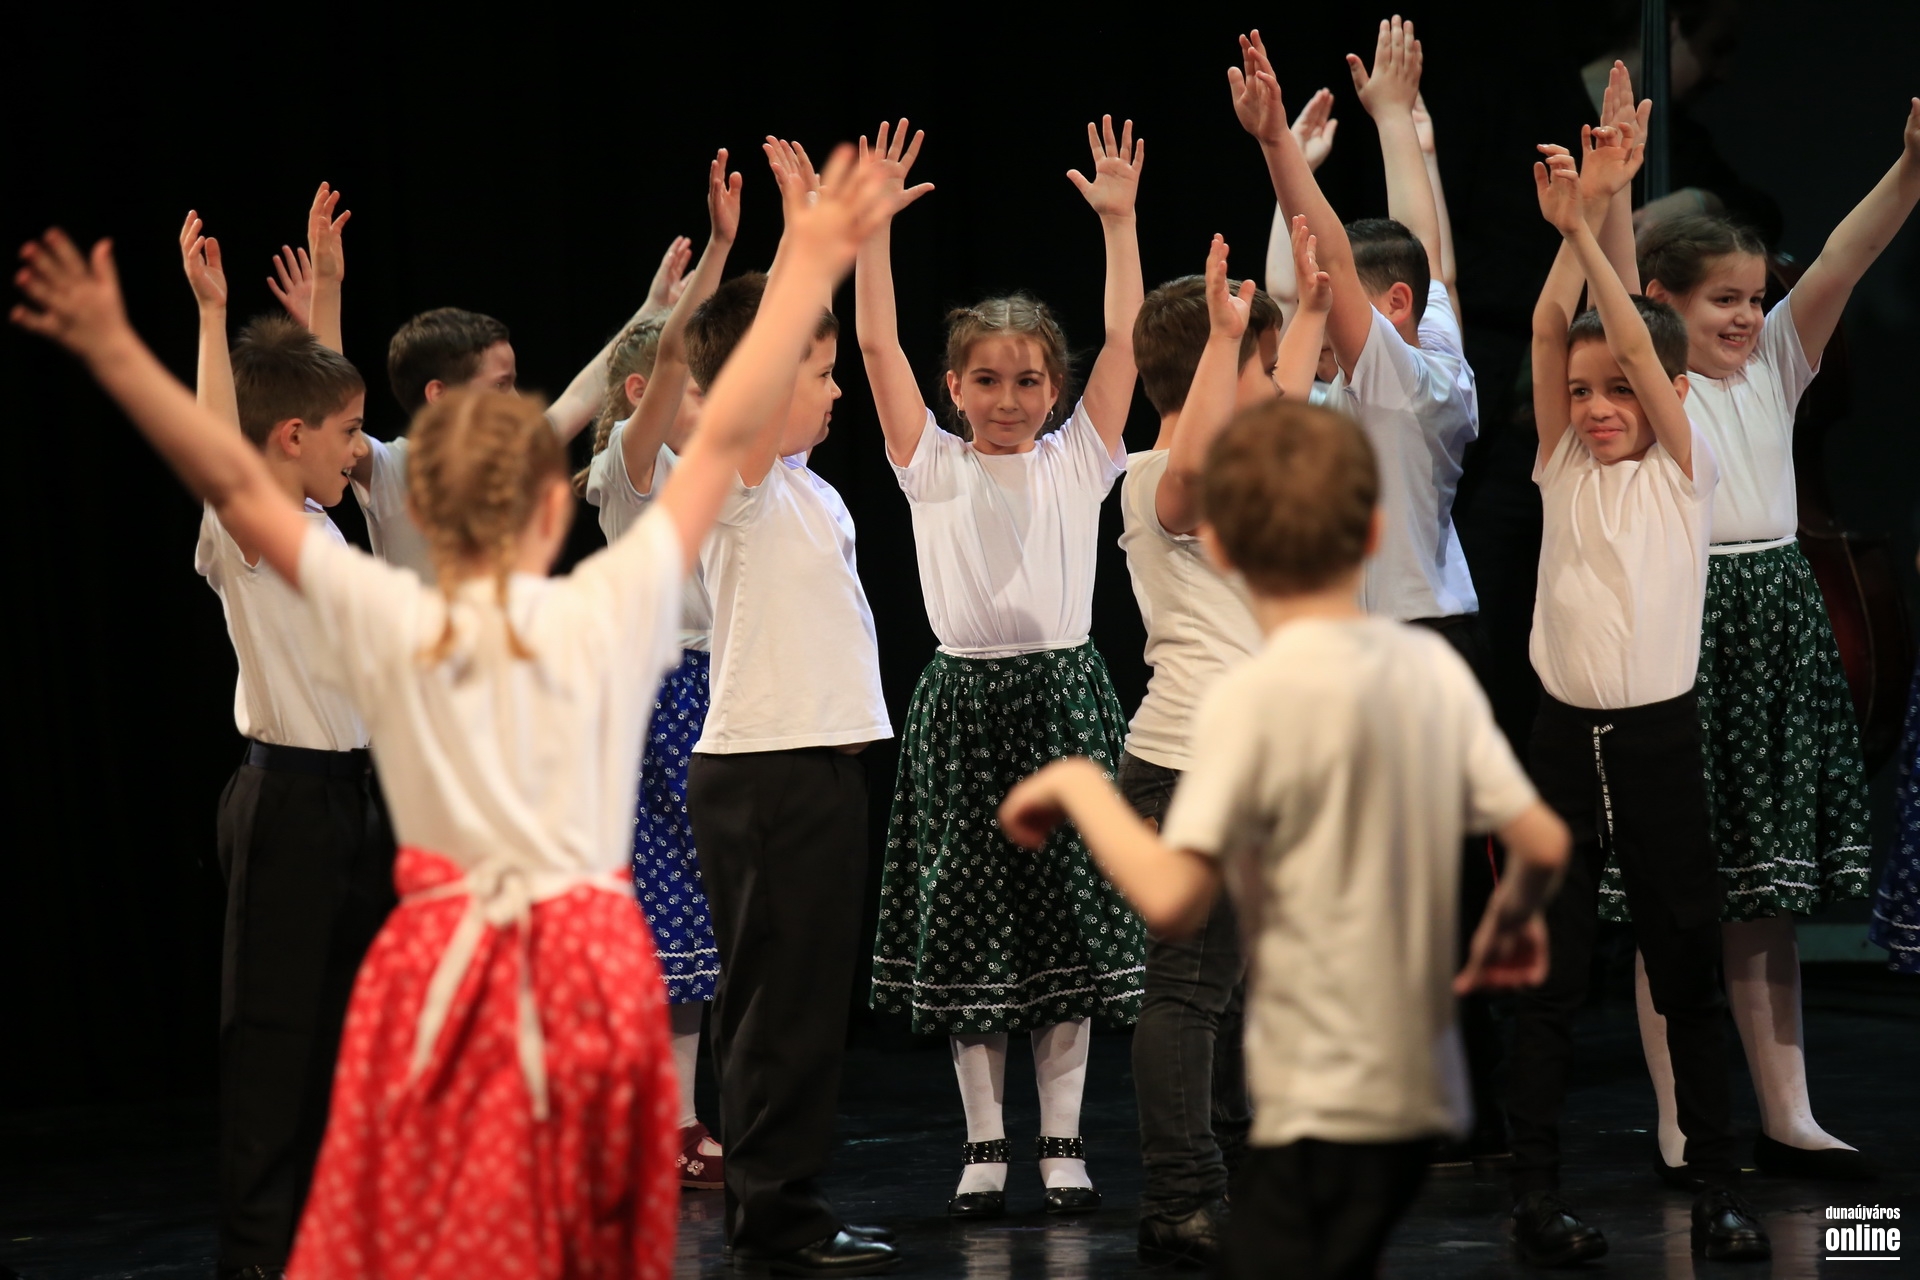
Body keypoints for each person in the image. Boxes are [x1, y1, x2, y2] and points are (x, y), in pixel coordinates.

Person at [9, 142, 900, 1280]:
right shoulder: (593, 611)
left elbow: (232, 475)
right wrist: (812, 251)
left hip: (450, 945)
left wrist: (116, 348)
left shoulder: (395, 614)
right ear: (547, 513)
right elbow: (724, 432)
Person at [1000, 396, 1571, 1280]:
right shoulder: (1427, 669)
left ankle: (1194, 1193)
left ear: (1229, 552)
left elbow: (1173, 895)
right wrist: (1511, 921)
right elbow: (1538, 839)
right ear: (1374, 533)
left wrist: (1078, 786)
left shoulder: (1252, 702)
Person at [1620, 97, 1920, 1184]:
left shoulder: (1778, 362)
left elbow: (1846, 255)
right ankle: (1682, 1120)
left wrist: (1910, 169)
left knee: (1768, 893)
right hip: (1685, 628)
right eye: (1724, 300)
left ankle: (1789, 1113)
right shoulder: (1646, 380)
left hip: (1778, 623)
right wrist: (1608, 196)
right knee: (1678, 897)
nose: (1748, 316)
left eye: (1754, 298)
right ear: (1664, 301)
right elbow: (1608, 288)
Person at [856, 116, 1147, 1217]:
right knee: (971, 926)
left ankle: (1062, 1138)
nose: (1010, 398)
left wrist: (1119, 223)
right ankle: (985, 1141)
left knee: (1066, 920)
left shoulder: (1081, 460)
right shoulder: (930, 464)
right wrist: (872, 235)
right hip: (965, 707)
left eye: (1029, 380)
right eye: (987, 380)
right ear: (953, 387)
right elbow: (875, 348)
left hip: (1064, 698)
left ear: (1055, 389)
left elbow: (1125, 341)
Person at [1233, 18, 1510, 1167]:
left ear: (1391, 308)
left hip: (1420, 642)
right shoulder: (1383, 348)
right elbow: (1348, 275)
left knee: (1437, 887)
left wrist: (1278, 154)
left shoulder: (1416, 385)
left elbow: (1347, 271)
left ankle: (1452, 1102)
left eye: (1344, 288)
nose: (1318, 299)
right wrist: (1395, 127)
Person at [1507, 131, 1767, 1265]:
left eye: (1621, 389)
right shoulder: (1562, 464)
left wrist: (1589, 222)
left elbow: (1632, 351)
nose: (1598, 407)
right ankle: (1535, 1194)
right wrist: (1570, 234)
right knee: (1549, 980)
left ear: (1665, 396)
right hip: (1562, 744)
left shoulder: (1681, 470)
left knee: (1685, 970)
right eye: (1582, 394)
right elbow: (1544, 330)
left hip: (1657, 744)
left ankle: (1718, 1186)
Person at [680, 139, 901, 1276]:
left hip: (818, 767)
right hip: (766, 770)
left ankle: (785, 1200)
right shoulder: (741, 483)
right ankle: (774, 1216)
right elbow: (753, 372)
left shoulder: (810, 492)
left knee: (806, 1001)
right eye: (819, 372)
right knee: (778, 1003)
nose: (834, 388)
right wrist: (804, 244)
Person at [175, 205, 397, 1280]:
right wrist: (212, 317)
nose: (361, 449)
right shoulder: (249, 534)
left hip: (351, 800)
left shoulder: (315, 523)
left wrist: (325, 309)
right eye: (347, 433)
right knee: (272, 1036)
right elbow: (231, 454)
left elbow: (314, 406)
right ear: (288, 442)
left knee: (347, 1037)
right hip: (286, 803)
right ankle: (260, 1254)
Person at [1117, 226, 1321, 1267]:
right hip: (1189, 765)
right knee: (1189, 990)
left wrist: (1310, 312)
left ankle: (1217, 1179)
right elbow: (1195, 466)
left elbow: (1282, 407)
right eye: (1259, 366)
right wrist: (1227, 339)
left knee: (1227, 990)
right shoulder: (1158, 477)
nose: (1280, 387)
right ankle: (1181, 1197)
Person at [580, 150, 740, 1192]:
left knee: (700, 926)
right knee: (659, 918)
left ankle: (681, 1115)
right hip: (655, 698)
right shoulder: (629, 473)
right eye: (693, 384)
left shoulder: (714, 469)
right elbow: (678, 360)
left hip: (717, 690)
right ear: (648, 392)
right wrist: (720, 249)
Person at [327, 230, 695, 581]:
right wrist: (326, 291)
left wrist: (651, 310)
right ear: (440, 395)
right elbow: (331, 418)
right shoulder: (391, 470)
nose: (518, 400)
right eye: (501, 385)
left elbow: (579, 397)